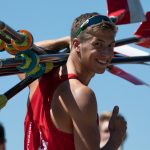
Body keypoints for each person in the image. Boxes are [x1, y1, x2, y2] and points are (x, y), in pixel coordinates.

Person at [18, 12, 127, 150]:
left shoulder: (38, 77)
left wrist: (64, 41)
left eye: (110, 45)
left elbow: (22, 54)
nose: (106, 53)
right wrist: (116, 138)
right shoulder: (81, 95)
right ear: (76, 45)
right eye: (98, 44)